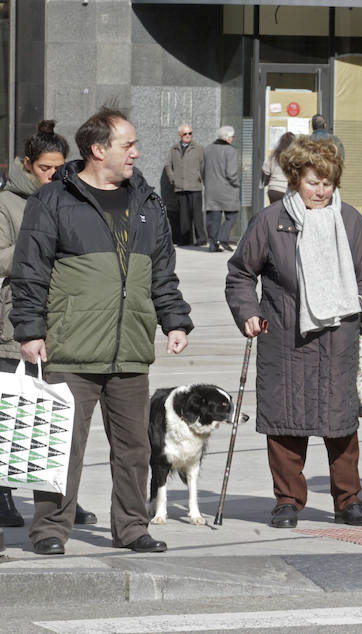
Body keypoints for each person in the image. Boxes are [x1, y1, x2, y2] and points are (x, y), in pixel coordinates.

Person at [11, 107, 193, 556]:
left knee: (134, 449)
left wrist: (174, 319)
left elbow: (162, 271)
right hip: (69, 348)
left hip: (130, 348)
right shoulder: (53, 200)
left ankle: (132, 528)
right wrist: (30, 330)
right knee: (60, 447)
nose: (136, 152)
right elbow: (29, 271)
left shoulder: (147, 201)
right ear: (99, 149)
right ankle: (51, 529)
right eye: (127, 144)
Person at [225, 137, 362, 528]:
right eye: (313, 183)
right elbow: (241, 273)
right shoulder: (271, 220)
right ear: (296, 180)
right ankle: (287, 501)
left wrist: (360, 305)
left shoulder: (351, 222)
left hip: (336, 339)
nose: (321, 191)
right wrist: (248, 312)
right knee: (285, 421)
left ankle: (349, 500)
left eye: (327, 183)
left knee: (340, 422)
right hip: (284, 337)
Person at [0, 120, 99, 530]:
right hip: (15, 323)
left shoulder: (69, 199)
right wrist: (39, 247)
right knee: (11, 416)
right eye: (44, 168)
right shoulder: (9, 204)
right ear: (27, 164)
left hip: (63, 324)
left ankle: (59, 500)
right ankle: (4, 496)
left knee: (55, 420)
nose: (52, 175)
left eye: (59, 168)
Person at [165, 123, 205, 246]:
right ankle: (186, 240)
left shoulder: (198, 148)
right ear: (180, 135)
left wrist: (200, 178)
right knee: (183, 216)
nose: (188, 135)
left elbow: (204, 164)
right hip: (180, 186)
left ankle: (201, 239)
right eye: (185, 133)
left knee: (197, 214)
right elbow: (168, 165)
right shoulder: (174, 149)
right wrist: (173, 179)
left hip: (195, 186)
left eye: (190, 133)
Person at [203, 126, 240, 252]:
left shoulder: (208, 149)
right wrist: (237, 184)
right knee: (232, 215)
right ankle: (222, 237)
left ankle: (213, 244)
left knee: (213, 218)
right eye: (232, 136)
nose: (233, 138)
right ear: (228, 138)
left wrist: (207, 182)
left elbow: (202, 169)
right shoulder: (231, 151)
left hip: (211, 190)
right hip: (228, 189)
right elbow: (231, 173)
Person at [262, 132, 294, 204]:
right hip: (286, 189)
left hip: (273, 189)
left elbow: (265, 170)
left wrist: (265, 183)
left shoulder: (274, 155)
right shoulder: (293, 156)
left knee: (274, 212)